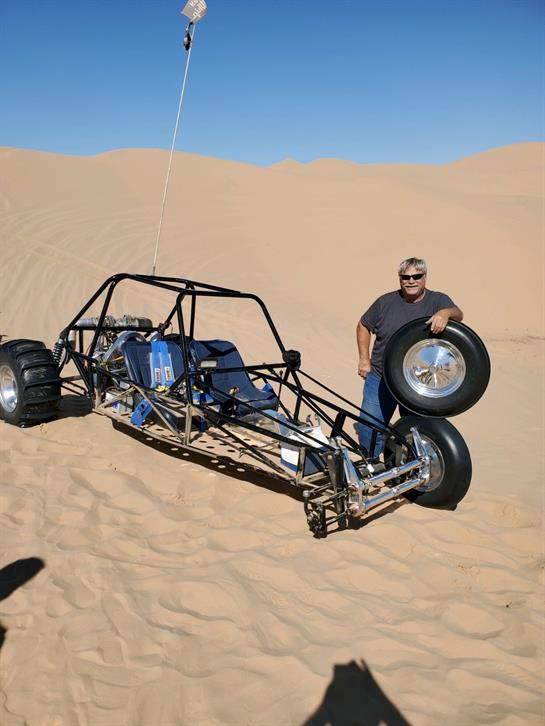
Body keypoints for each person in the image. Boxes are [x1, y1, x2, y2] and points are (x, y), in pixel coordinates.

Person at [356, 257, 463, 459]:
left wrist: (445, 313)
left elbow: (459, 314)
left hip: (418, 382)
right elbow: (363, 325)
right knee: (369, 426)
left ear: (425, 278)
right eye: (405, 277)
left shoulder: (438, 300)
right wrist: (364, 359)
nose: (411, 281)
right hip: (381, 377)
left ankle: (409, 469)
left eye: (416, 276)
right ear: (400, 279)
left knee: (416, 431)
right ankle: (368, 465)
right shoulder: (385, 302)